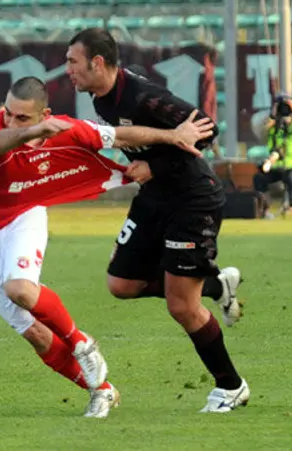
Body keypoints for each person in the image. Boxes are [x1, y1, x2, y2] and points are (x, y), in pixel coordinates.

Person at [0, 76, 215, 418]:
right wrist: (30, 131)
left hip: (21, 217)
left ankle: (80, 342)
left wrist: (174, 136)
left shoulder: (65, 128)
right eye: (8, 113)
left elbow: (120, 135)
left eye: (23, 118)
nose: (11, 122)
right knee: (35, 334)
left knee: (20, 289)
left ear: (44, 113)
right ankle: (102, 391)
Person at [65, 27, 249, 412]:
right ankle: (215, 285)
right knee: (121, 283)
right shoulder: (101, 98)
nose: (68, 70)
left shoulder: (144, 96)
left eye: (73, 62)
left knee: (181, 306)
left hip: (191, 200)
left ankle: (230, 386)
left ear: (97, 63)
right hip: (155, 198)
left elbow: (207, 129)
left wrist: (154, 164)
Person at [253, 93, 292, 218]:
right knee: (259, 178)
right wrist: (273, 114)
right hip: (275, 166)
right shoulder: (274, 128)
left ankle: (290, 208)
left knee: (291, 179)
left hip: (290, 166)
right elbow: (262, 131)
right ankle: (265, 209)